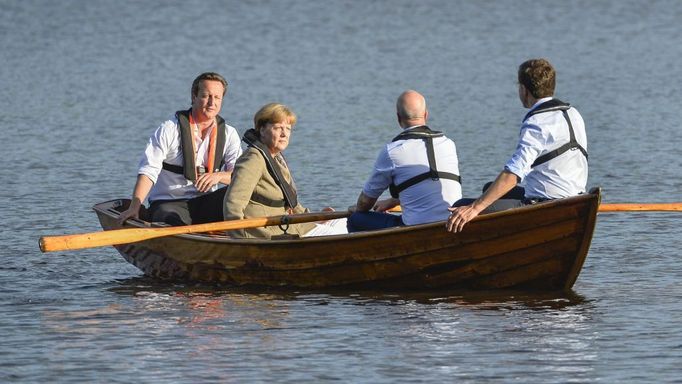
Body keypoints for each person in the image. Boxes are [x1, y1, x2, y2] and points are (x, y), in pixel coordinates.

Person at [447, 58, 588, 233]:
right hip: (577, 197)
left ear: (523, 90)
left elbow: (513, 174)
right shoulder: (573, 113)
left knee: (461, 206)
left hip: (548, 204)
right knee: (488, 188)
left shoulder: (537, 122)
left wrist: (474, 208)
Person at [118, 72, 242, 226]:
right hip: (169, 204)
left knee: (242, 195)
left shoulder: (229, 134)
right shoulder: (169, 129)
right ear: (194, 96)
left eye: (217, 97)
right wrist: (134, 207)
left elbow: (239, 176)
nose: (212, 103)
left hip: (205, 203)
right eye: (206, 96)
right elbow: (148, 170)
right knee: (172, 220)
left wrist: (218, 176)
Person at [223, 103, 347, 239]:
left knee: (344, 223)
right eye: (278, 128)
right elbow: (233, 203)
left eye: (288, 129)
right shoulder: (253, 159)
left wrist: (313, 218)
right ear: (262, 130)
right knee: (339, 235)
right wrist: (239, 240)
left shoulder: (276, 158)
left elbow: (290, 202)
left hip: (287, 224)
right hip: (268, 232)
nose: (284, 134)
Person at [347, 90, 462, 231]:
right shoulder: (448, 143)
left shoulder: (392, 151)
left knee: (356, 219)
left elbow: (365, 202)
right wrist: (393, 201)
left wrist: (356, 209)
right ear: (426, 114)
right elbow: (427, 185)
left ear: (398, 117)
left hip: (417, 229)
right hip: (453, 221)